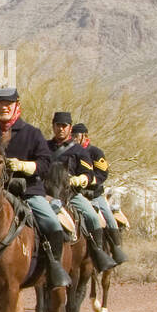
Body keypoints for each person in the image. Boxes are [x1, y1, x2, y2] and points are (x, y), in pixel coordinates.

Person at [0, 87, 70, 288]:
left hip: (28, 192)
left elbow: (46, 163)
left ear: (16, 105)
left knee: (53, 225)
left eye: (8, 104)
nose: (4, 107)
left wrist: (25, 166)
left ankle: (55, 269)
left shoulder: (32, 133)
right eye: (1, 103)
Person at [48, 111, 114, 272]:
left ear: (69, 128)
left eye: (64, 126)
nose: (61, 129)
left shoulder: (79, 150)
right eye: (58, 126)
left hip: (71, 194)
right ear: (53, 126)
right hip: (47, 194)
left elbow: (89, 172)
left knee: (92, 216)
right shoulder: (44, 146)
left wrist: (81, 179)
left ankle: (98, 254)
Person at [74, 122, 127, 265]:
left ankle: (116, 249)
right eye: (72, 135)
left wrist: (90, 182)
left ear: (85, 137)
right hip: (77, 194)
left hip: (94, 195)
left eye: (76, 135)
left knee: (109, 219)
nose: (73, 138)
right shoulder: (70, 152)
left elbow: (103, 173)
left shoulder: (96, 153)